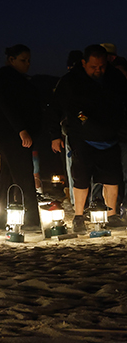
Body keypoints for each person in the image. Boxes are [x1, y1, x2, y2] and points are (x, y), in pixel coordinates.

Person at [49, 44, 127, 231]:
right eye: (93, 67)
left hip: (110, 137)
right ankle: (78, 215)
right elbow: (59, 109)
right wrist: (55, 135)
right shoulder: (70, 81)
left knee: (112, 178)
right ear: (84, 63)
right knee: (81, 179)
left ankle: (112, 214)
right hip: (82, 136)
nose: (98, 70)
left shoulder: (114, 78)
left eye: (101, 66)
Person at [0, 44, 43, 231]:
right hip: (11, 134)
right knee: (24, 177)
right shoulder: (3, 78)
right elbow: (6, 106)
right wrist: (21, 129)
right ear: (11, 60)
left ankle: (3, 220)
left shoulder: (16, 79)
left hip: (9, 133)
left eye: (29, 60)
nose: (27, 64)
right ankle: (32, 220)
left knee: (7, 177)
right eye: (23, 60)